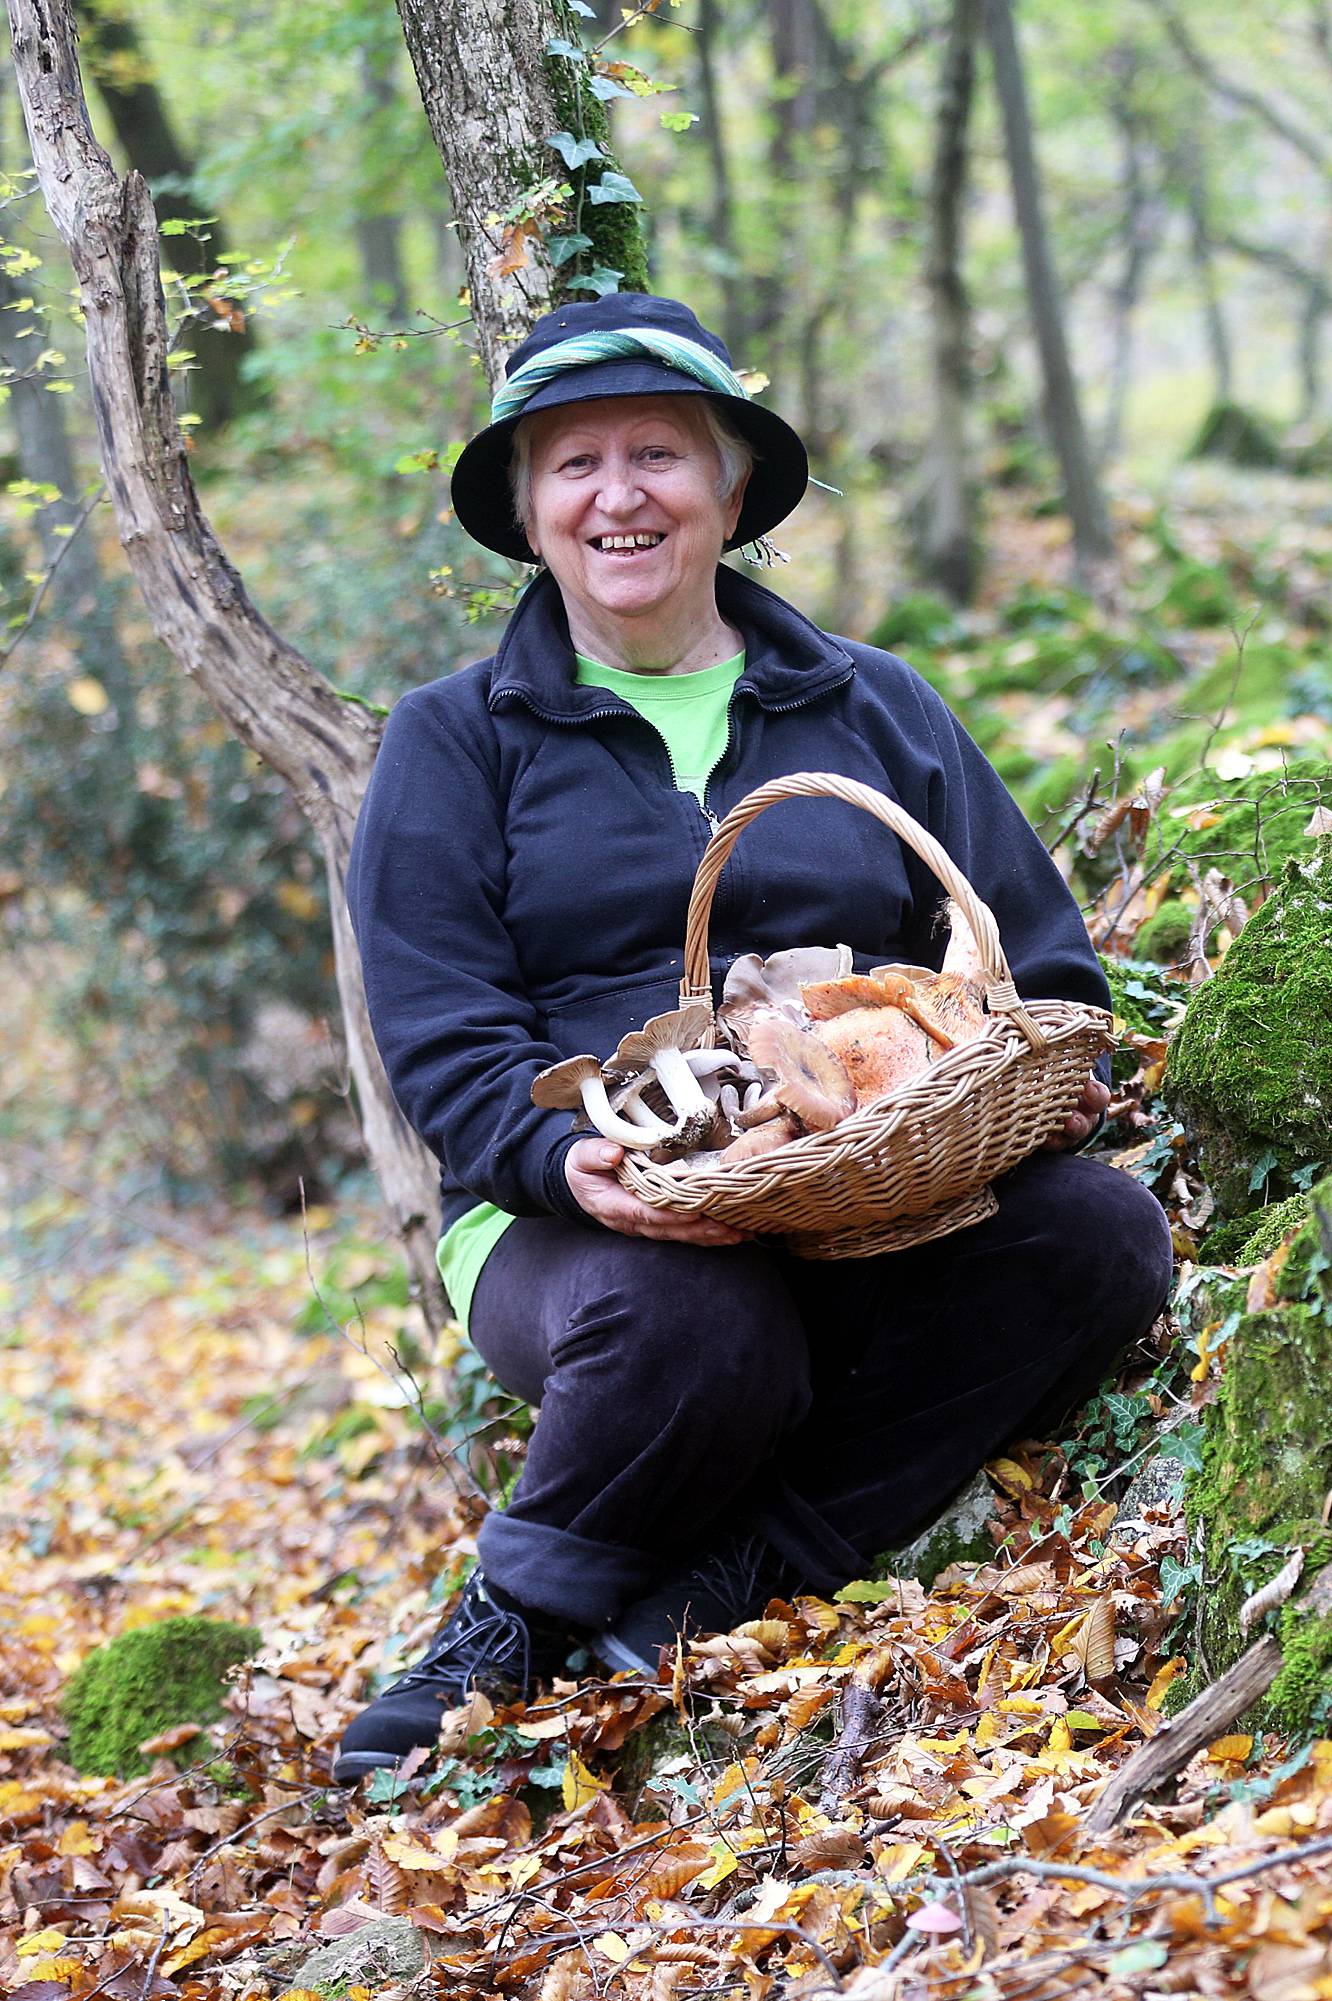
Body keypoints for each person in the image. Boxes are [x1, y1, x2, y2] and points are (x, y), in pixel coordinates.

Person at [332, 294, 1173, 1782]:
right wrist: (557, 1153)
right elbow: (445, 1033)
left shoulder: (871, 705)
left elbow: (1036, 953)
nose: (618, 495)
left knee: (1100, 1239)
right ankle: (507, 1621)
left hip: (878, 1180)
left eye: (658, 452)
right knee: (701, 1324)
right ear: (529, 514)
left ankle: (751, 1564)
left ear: (729, 493)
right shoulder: (452, 742)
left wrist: (1025, 1083)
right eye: (572, 464)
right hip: (578, 1216)